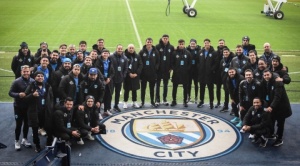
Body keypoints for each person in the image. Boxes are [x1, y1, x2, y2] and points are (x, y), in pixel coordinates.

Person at [24, 71, 54, 152]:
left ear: (44, 77)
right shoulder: (31, 86)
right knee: (35, 129)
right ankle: (37, 145)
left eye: (41, 76)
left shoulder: (47, 86)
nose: (40, 77)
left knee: (49, 127)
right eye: (38, 76)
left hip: (45, 111)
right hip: (35, 112)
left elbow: (51, 98)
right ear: (35, 77)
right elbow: (25, 98)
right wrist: (32, 95)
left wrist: (50, 108)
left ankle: (49, 143)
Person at [261, 69, 292, 146]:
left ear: (271, 74)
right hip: (273, 105)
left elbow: (277, 96)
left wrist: (271, 106)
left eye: (268, 75)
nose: (266, 76)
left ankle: (279, 139)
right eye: (264, 75)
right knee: (271, 120)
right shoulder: (264, 81)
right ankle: (271, 134)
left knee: (280, 123)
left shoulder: (277, 82)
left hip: (282, 107)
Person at [8, 65, 34, 150]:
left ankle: (24, 139)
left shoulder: (32, 81)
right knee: (18, 124)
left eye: (27, 71)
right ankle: (16, 140)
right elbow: (10, 93)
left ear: (30, 72)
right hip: (18, 107)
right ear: (21, 72)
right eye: (24, 71)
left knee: (27, 124)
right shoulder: (16, 81)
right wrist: (18, 95)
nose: (26, 73)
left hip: (28, 107)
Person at [139, 37, 160, 108]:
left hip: (152, 74)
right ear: (146, 43)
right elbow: (140, 61)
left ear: (152, 43)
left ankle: (152, 101)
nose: (149, 43)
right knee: (143, 89)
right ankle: (142, 102)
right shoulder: (142, 52)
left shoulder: (155, 51)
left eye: (150, 42)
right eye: (148, 42)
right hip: (144, 74)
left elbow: (158, 61)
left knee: (152, 89)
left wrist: (155, 68)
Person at [170, 39, 192, 107]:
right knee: (174, 87)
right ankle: (174, 100)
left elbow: (190, 63)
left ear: (184, 44)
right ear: (178, 44)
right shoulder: (174, 53)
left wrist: (186, 70)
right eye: (180, 44)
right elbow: (172, 63)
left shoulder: (188, 53)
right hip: (176, 74)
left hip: (185, 74)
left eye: (182, 44)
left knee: (185, 88)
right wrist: (175, 69)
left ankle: (185, 101)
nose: (181, 45)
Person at [155, 34, 174, 106]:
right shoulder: (157, 46)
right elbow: (156, 58)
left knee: (165, 85)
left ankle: (164, 99)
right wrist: (156, 67)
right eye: (164, 38)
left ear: (168, 39)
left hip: (167, 70)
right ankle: (157, 100)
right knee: (158, 85)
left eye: (166, 38)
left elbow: (172, 58)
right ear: (162, 39)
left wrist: (171, 68)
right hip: (159, 70)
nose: (165, 39)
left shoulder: (171, 47)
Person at [197, 38, 216, 109]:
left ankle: (211, 102)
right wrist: (199, 68)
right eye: (205, 43)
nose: (206, 44)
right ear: (204, 44)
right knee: (201, 89)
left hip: (210, 75)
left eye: (208, 43)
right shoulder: (200, 52)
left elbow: (216, 63)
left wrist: (211, 70)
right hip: (202, 74)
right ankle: (201, 101)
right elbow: (197, 61)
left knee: (210, 89)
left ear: (210, 43)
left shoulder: (214, 52)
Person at [95, 49, 115, 116]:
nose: (105, 54)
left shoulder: (110, 61)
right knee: (100, 96)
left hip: (109, 81)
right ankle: (99, 112)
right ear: (102, 54)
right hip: (101, 81)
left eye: (107, 53)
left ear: (109, 54)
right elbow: (98, 71)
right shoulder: (98, 61)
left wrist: (109, 78)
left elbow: (112, 72)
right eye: (104, 53)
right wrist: (105, 79)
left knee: (108, 96)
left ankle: (106, 110)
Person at [123, 44, 143, 109]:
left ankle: (134, 102)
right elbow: (124, 66)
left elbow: (140, 65)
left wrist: (136, 73)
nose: (131, 49)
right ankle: (125, 102)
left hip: (135, 76)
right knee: (127, 90)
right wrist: (129, 73)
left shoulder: (137, 56)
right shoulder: (124, 56)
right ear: (128, 49)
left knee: (134, 90)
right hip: (127, 76)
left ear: (134, 49)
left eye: (132, 48)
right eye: (130, 48)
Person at [110, 44, 128, 112]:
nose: (120, 50)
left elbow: (126, 68)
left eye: (121, 49)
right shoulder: (111, 57)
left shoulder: (125, 58)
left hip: (120, 79)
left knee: (117, 93)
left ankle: (116, 105)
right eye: (118, 49)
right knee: (110, 93)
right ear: (116, 49)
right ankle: (108, 106)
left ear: (122, 50)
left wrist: (123, 76)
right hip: (112, 78)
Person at [219, 48, 235, 113]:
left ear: (229, 52)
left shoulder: (233, 60)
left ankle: (234, 108)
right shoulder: (222, 60)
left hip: (232, 80)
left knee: (233, 95)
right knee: (226, 93)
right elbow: (221, 70)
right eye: (224, 52)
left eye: (226, 52)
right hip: (225, 80)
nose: (225, 53)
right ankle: (226, 106)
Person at [213, 39, 227, 108]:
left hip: (225, 74)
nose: (221, 44)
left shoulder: (228, 52)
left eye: (222, 43)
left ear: (224, 43)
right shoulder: (216, 52)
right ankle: (218, 102)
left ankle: (226, 103)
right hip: (218, 74)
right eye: (220, 43)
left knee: (226, 89)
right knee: (218, 88)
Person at [186, 39, 200, 104]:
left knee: (196, 84)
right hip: (189, 71)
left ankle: (196, 97)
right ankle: (188, 97)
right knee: (189, 84)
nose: (192, 45)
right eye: (191, 43)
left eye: (194, 44)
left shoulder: (199, 51)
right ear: (189, 44)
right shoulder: (187, 50)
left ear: (196, 44)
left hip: (196, 71)